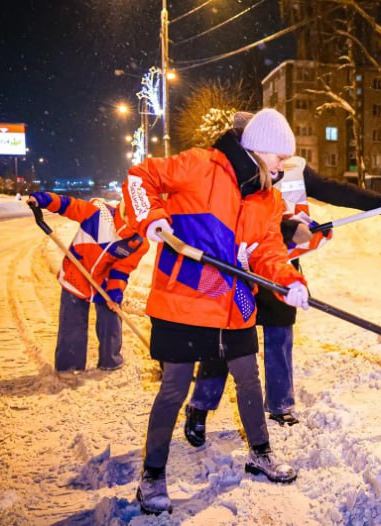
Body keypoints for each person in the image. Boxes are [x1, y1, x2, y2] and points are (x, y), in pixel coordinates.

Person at [123, 108, 309, 515]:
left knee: (248, 377)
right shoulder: (199, 165)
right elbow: (140, 177)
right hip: (184, 298)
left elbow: (267, 252)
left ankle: (260, 452)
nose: (283, 165)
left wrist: (289, 282)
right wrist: (151, 219)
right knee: (174, 387)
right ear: (261, 149)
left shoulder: (268, 198)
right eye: (281, 156)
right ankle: (152, 474)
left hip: (234, 301)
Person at [181, 113, 381, 445]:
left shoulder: (294, 167)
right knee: (224, 343)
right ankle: (199, 407)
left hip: (280, 262)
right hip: (235, 268)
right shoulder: (222, 172)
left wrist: (378, 202)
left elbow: (333, 190)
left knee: (279, 336)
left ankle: (280, 404)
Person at [26, 192, 148, 372]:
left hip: (105, 283)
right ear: (123, 209)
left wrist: (115, 291)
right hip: (76, 275)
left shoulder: (138, 243)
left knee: (111, 322)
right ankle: (70, 366)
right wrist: (44, 199)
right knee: (72, 324)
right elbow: (69, 205)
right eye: (131, 215)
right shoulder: (98, 213)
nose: (134, 222)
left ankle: (111, 361)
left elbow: (122, 269)